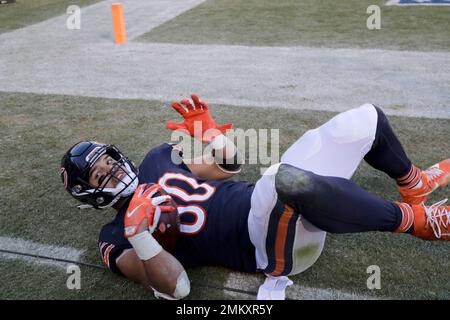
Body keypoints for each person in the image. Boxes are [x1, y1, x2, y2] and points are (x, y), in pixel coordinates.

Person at [60, 94, 449, 300]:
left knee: (362, 120)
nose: (113, 170)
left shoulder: (156, 161)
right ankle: (420, 223)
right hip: (269, 242)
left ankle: (412, 184)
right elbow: (176, 289)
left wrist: (214, 136)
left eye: (110, 161)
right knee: (284, 178)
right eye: (100, 173)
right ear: (89, 192)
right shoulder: (114, 236)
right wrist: (139, 232)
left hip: (281, 200)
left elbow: (228, 167)